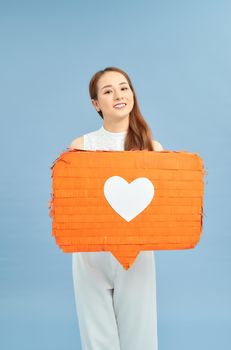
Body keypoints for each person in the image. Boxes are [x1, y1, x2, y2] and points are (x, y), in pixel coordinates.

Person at [49, 66, 163, 350]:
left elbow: (160, 208)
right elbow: (70, 202)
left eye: (124, 88)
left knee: (141, 334)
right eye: (108, 91)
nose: (118, 95)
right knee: (97, 336)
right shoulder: (81, 146)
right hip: (91, 255)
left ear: (133, 94)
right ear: (96, 104)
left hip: (136, 254)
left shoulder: (152, 148)